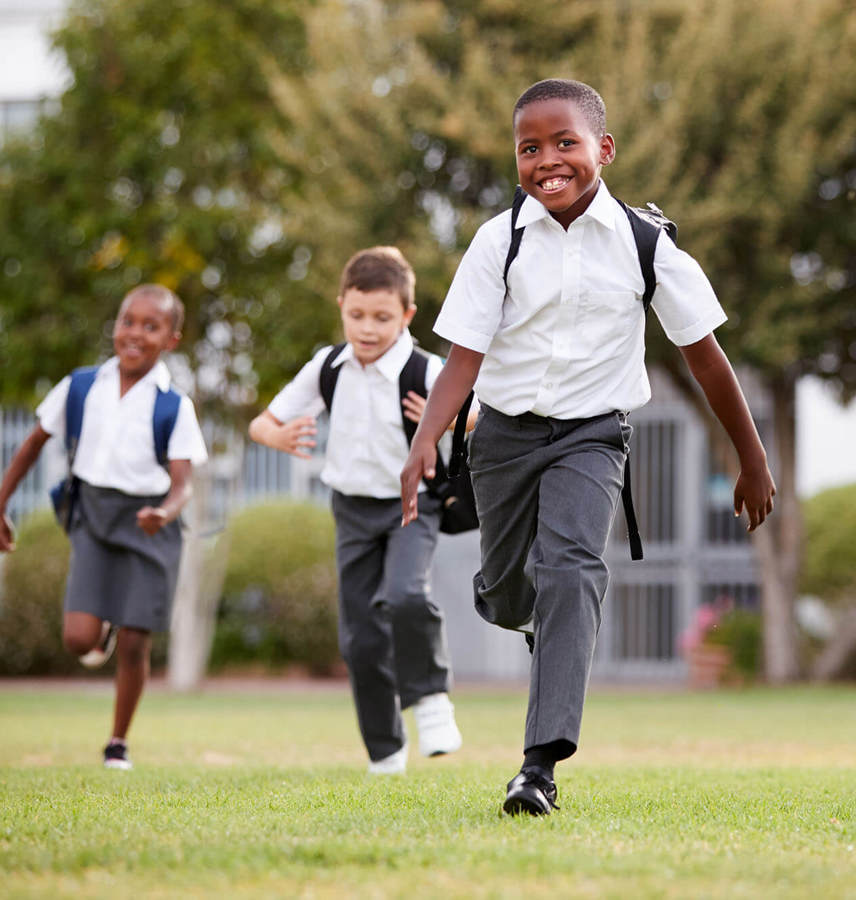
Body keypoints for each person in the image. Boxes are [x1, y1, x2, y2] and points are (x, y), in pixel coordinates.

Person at [399, 78, 776, 815]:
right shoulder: (496, 241)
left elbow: (707, 358)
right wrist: (425, 439)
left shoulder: (646, 248)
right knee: (509, 594)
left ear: (602, 149)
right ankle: (530, 611)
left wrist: (752, 458)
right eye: (529, 147)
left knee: (573, 569)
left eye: (564, 143)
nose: (547, 160)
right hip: (503, 436)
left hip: (592, 436)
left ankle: (537, 770)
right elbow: (463, 358)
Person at [248, 246, 463, 775]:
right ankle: (385, 753)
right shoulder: (328, 366)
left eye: (383, 318)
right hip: (351, 512)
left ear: (407, 316)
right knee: (360, 638)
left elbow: (479, 414)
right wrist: (278, 434)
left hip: (411, 504)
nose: (368, 329)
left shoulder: (424, 369)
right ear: (341, 304)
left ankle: (432, 700)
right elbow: (261, 423)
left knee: (406, 595)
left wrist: (443, 418)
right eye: (357, 315)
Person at [0, 284, 207, 769]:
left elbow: (183, 484)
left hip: (149, 523)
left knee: (137, 641)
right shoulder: (80, 386)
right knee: (78, 640)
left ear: (171, 339)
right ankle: (104, 626)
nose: (135, 333)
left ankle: (117, 743)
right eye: (127, 322)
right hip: (93, 516)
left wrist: (166, 513)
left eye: (150, 326)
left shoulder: (174, 405)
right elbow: (32, 445)